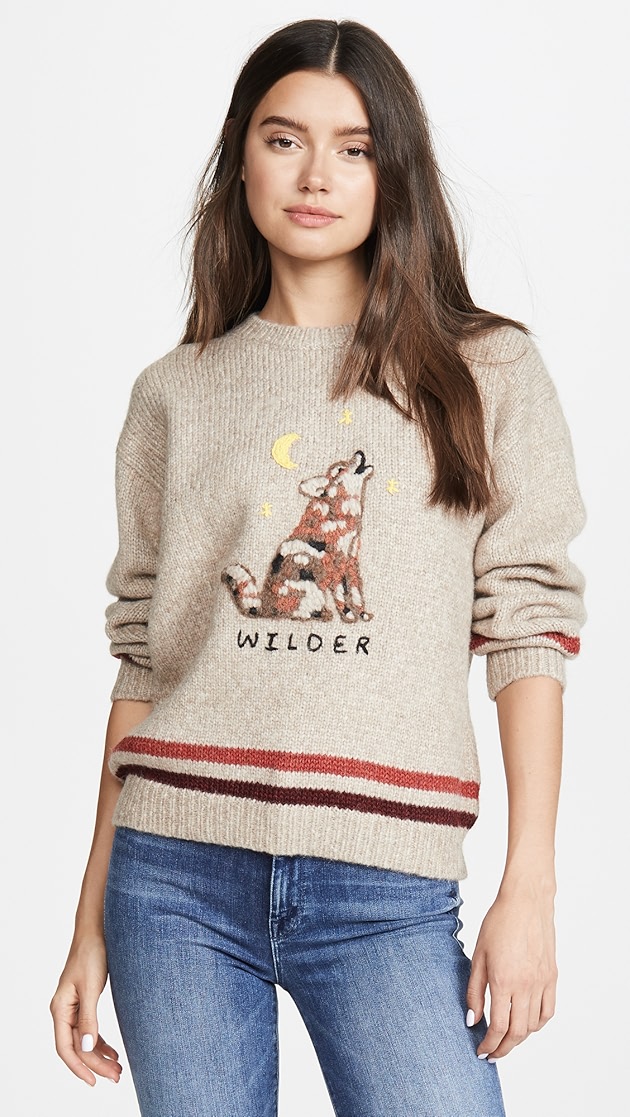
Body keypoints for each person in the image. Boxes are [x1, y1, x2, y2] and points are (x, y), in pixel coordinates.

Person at [49, 18, 586, 1117]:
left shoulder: (484, 372)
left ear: (395, 171)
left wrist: (529, 883)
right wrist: (88, 915)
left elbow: (528, 622)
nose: (317, 176)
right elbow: (142, 664)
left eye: (356, 147)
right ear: (241, 157)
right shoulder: (175, 393)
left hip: (387, 887)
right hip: (174, 879)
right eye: (284, 139)